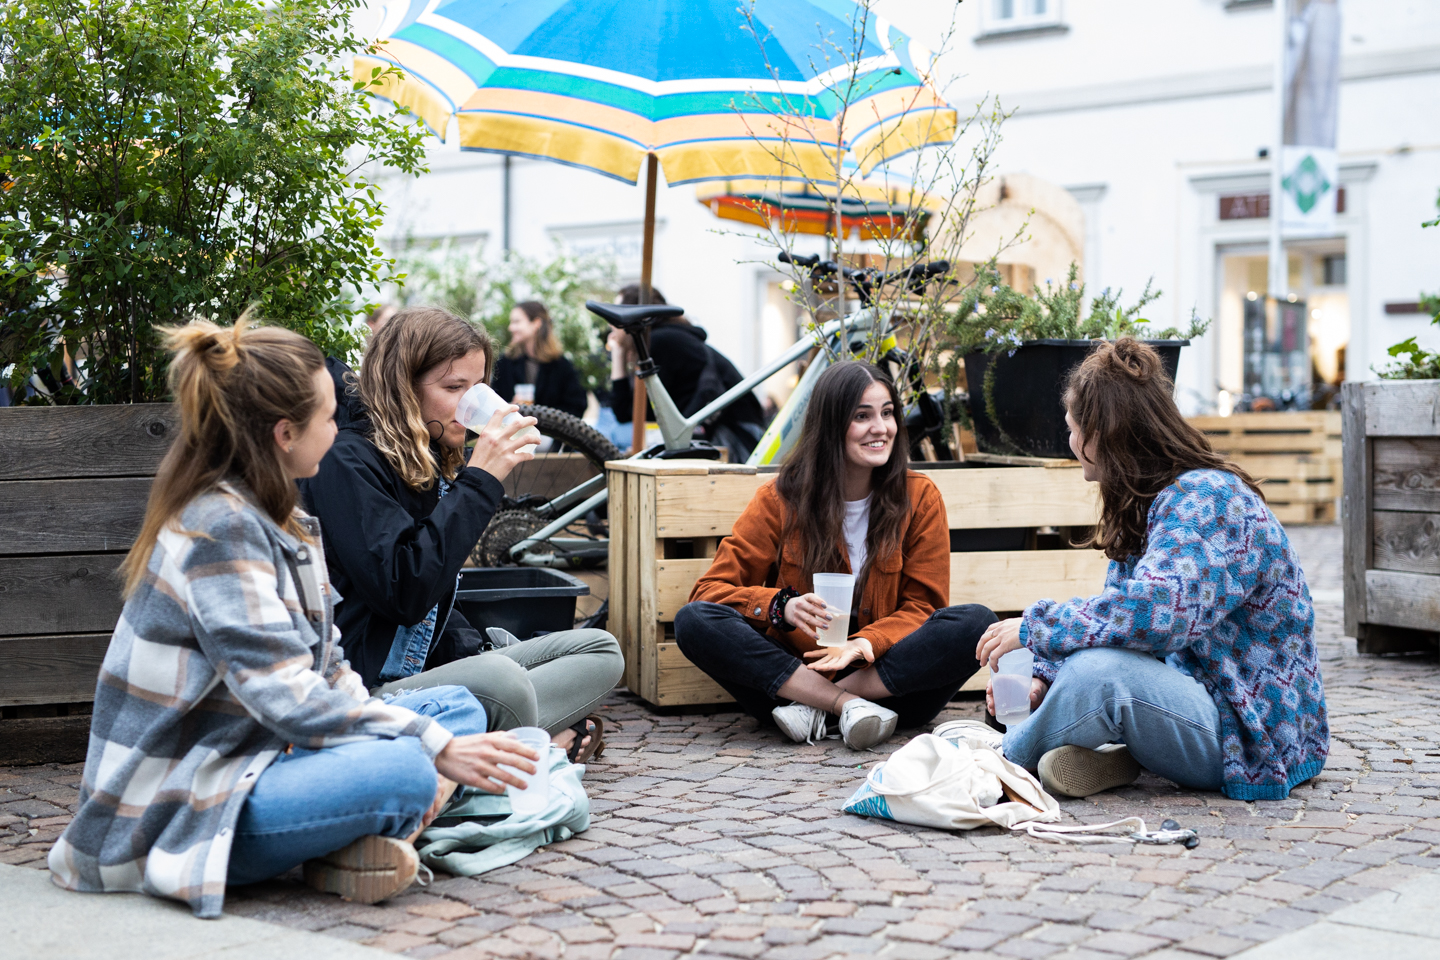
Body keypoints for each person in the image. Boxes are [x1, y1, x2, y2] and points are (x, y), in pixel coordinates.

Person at [50, 317, 543, 915]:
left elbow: (328, 669)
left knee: (459, 706)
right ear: (286, 434)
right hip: (181, 806)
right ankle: (373, 824)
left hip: (265, 754)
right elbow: (288, 696)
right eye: (331, 418)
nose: (342, 431)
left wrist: (432, 737)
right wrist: (434, 749)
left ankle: (357, 833)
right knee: (410, 769)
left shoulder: (287, 520)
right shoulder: (218, 529)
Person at [975, 338, 1329, 801]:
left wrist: (1036, 628)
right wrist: (1042, 678)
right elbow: (1116, 626)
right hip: (1201, 701)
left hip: (1250, 737)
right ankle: (1116, 752)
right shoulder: (1148, 503)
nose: (1070, 443)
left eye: (1072, 430)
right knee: (1088, 667)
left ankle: (994, 764)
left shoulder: (1208, 499)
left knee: (1101, 677)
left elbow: (1157, 615)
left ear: (1098, 435)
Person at [300, 306, 623, 761]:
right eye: (454, 388)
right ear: (402, 387)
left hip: (424, 672)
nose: (471, 403)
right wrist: (480, 482)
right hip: (370, 686)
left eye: (478, 387)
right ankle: (536, 739)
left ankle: (519, 733)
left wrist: (475, 652)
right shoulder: (346, 460)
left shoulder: (425, 453)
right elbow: (405, 593)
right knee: (502, 681)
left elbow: (436, 607)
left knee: (599, 650)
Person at [675, 361, 994, 750]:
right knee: (694, 621)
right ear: (830, 425)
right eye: (862, 416)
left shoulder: (919, 497)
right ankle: (843, 706)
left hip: (886, 684)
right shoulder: (780, 499)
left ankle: (819, 707)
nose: (881, 427)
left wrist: (865, 644)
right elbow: (709, 592)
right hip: (794, 675)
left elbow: (922, 607)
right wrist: (782, 606)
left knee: (977, 623)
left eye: (887, 413)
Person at [606, 284, 767, 460]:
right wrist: (619, 353)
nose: (611, 325)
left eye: (615, 318)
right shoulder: (671, 337)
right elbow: (627, 412)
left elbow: (635, 412)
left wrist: (618, 354)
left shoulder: (663, 341)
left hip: (732, 434)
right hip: (729, 430)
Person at [492, 300, 588, 419]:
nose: (510, 328)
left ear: (536, 323)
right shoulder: (505, 362)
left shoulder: (561, 365)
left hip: (549, 431)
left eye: (516, 322)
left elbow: (577, 406)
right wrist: (510, 407)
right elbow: (493, 403)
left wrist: (543, 418)